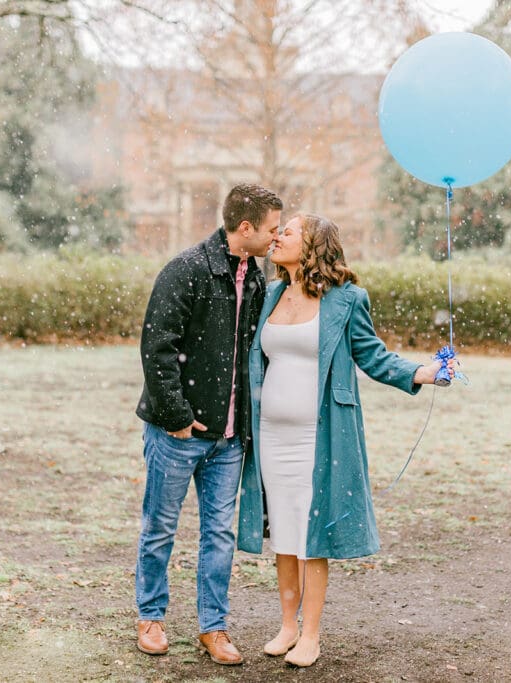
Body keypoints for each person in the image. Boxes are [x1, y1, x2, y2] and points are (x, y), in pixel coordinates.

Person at [237, 213, 450, 667]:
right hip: (272, 436)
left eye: (288, 232)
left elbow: (372, 355)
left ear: (312, 245)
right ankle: (287, 626)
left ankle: (310, 635)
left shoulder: (347, 300)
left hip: (321, 435)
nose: (278, 237)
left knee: (314, 532)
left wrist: (419, 372)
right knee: (286, 535)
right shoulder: (271, 293)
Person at [134, 183, 282, 666]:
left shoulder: (257, 279)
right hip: (179, 434)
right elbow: (157, 349)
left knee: (218, 535)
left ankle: (213, 628)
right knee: (160, 528)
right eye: (272, 229)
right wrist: (177, 418)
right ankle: (151, 617)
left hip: (229, 439)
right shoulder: (187, 270)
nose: (276, 237)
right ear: (246, 228)